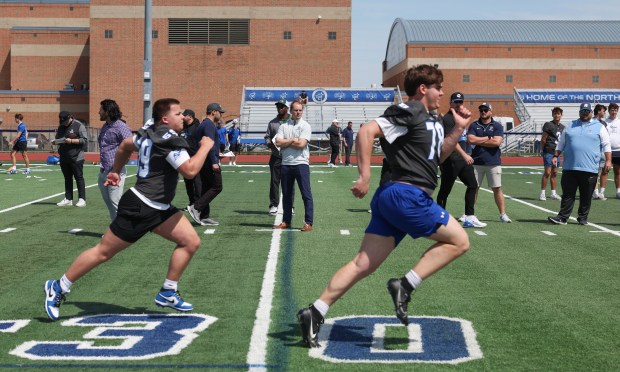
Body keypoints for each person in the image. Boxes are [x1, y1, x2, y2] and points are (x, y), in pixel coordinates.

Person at [296, 64, 472, 348]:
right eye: (438, 87)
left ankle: (316, 311)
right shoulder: (410, 109)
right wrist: (364, 175)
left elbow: (436, 158)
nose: (442, 92)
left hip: (396, 198)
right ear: (423, 89)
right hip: (406, 194)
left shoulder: (435, 120)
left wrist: (458, 131)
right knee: (460, 240)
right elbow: (367, 131)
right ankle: (405, 284)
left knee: (362, 263)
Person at [43, 98, 214, 321]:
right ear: (165, 119)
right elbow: (190, 171)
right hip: (141, 207)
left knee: (190, 241)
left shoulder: (149, 134)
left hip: (158, 207)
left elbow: (124, 145)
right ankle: (59, 286)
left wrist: (116, 171)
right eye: (178, 113)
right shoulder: (168, 140)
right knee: (103, 252)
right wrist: (205, 147)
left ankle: (168, 291)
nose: (183, 117)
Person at [548, 103, 611, 225]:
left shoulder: (599, 127)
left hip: (590, 168)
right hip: (570, 167)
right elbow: (561, 143)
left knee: (586, 196)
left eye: (587, 111)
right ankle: (562, 217)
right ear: (579, 112)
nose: (585, 113)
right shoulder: (571, 125)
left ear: (592, 112)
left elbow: (606, 145)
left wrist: (608, 160)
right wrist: (556, 155)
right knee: (567, 194)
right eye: (583, 111)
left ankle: (582, 218)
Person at [436, 92, 485, 228]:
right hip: (450, 159)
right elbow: (451, 141)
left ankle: (469, 217)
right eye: (456, 102)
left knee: (473, 185)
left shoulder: (461, 117)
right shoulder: (447, 119)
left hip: (462, 159)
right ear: (450, 103)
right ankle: (439, 216)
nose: (459, 105)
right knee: (445, 190)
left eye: (460, 102)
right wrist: (465, 155)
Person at [272, 100, 314, 231]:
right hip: (286, 164)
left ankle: (308, 223)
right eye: (296, 110)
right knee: (286, 194)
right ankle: (286, 221)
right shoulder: (284, 126)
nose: (298, 112)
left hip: (301, 164)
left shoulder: (306, 126)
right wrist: (291, 140)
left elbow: (301, 144)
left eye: (300, 110)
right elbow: (277, 142)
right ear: (291, 111)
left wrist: (286, 142)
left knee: (306, 194)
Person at [467, 102, 512, 223]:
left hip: (493, 162)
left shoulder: (497, 126)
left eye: (485, 110)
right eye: (481, 110)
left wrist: (479, 140)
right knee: (473, 188)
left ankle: (502, 214)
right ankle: (468, 213)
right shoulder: (474, 125)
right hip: (476, 161)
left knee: (497, 188)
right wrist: (487, 138)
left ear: (491, 111)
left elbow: (497, 143)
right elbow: (470, 140)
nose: (483, 112)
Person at [187, 103, 224, 226]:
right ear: (213, 112)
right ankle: (196, 207)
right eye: (219, 112)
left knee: (206, 188)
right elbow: (209, 144)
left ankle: (204, 216)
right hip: (208, 162)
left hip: (204, 162)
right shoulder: (208, 125)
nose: (221, 114)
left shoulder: (205, 124)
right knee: (217, 186)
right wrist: (214, 162)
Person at [97, 99, 133, 220]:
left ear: (107, 111)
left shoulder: (120, 126)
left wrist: (117, 169)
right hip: (103, 170)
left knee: (115, 202)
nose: (99, 112)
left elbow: (130, 146)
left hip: (115, 171)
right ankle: (115, 230)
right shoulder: (105, 126)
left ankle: (123, 231)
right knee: (110, 204)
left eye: (101, 109)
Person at [265, 99, 292, 215]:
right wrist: (269, 143)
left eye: (282, 106)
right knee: (274, 182)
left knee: (289, 183)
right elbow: (267, 137)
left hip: (290, 156)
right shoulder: (272, 123)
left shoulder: (293, 122)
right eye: (278, 106)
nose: (279, 108)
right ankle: (274, 204)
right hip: (276, 156)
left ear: (287, 108)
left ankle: (290, 206)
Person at [55, 111, 88, 207]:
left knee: (79, 177)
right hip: (64, 156)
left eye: (65, 121)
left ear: (70, 117)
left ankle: (82, 199)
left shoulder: (78, 125)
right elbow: (58, 138)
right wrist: (56, 141)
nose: (64, 123)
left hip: (76, 157)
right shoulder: (61, 126)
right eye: (62, 121)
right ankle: (68, 199)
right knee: (67, 178)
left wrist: (72, 141)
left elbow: (84, 140)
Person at [539, 107, 565, 201]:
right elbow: (543, 139)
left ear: (561, 115)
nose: (556, 115)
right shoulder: (548, 125)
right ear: (552, 115)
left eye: (558, 113)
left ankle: (553, 193)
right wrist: (542, 150)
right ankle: (542, 193)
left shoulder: (562, 127)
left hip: (556, 153)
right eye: (555, 113)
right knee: (547, 172)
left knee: (554, 172)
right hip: (548, 151)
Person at [181, 109, 202, 206]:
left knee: (197, 181)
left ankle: (198, 203)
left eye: (184, 115)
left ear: (189, 116)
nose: (182, 117)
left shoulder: (198, 127)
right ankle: (191, 203)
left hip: (195, 157)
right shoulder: (182, 127)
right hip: (184, 159)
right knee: (188, 182)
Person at [592, 104, 609, 200]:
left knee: (604, 171)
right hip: (594, 151)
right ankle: (595, 192)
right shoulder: (591, 122)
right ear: (598, 111)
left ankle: (601, 192)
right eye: (603, 111)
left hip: (602, 151)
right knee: (595, 172)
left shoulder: (604, 123)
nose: (604, 113)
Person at [606, 102, 620, 198]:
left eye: (615, 110)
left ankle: (618, 191)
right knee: (604, 171)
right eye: (612, 110)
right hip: (607, 150)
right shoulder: (604, 122)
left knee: (617, 172)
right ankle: (601, 191)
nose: (614, 112)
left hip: (618, 150)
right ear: (609, 110)